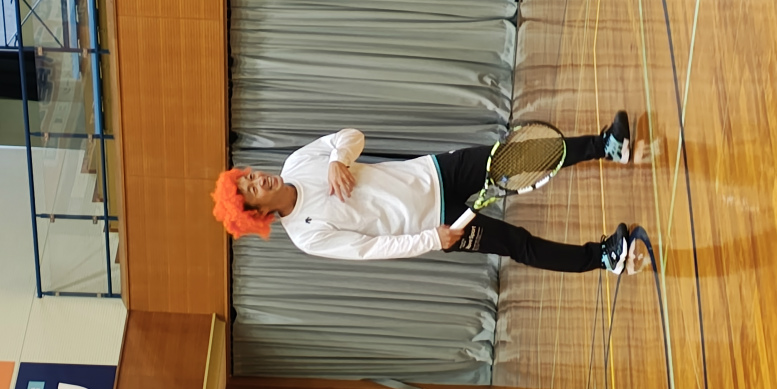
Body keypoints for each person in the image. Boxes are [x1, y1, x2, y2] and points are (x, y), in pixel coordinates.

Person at [213, 111, 647, 275]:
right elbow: (369, 250)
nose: (258, 179)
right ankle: (604, 258)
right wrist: (430, 240)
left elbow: (352, 135)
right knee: (519, 244)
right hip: (438, 223)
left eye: (249, 175)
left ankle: (606, 146)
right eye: (251, 189)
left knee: (517, 156)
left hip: (433, 172)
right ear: (257, 212)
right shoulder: (307, 235)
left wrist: (336, 159)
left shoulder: (297, 163)